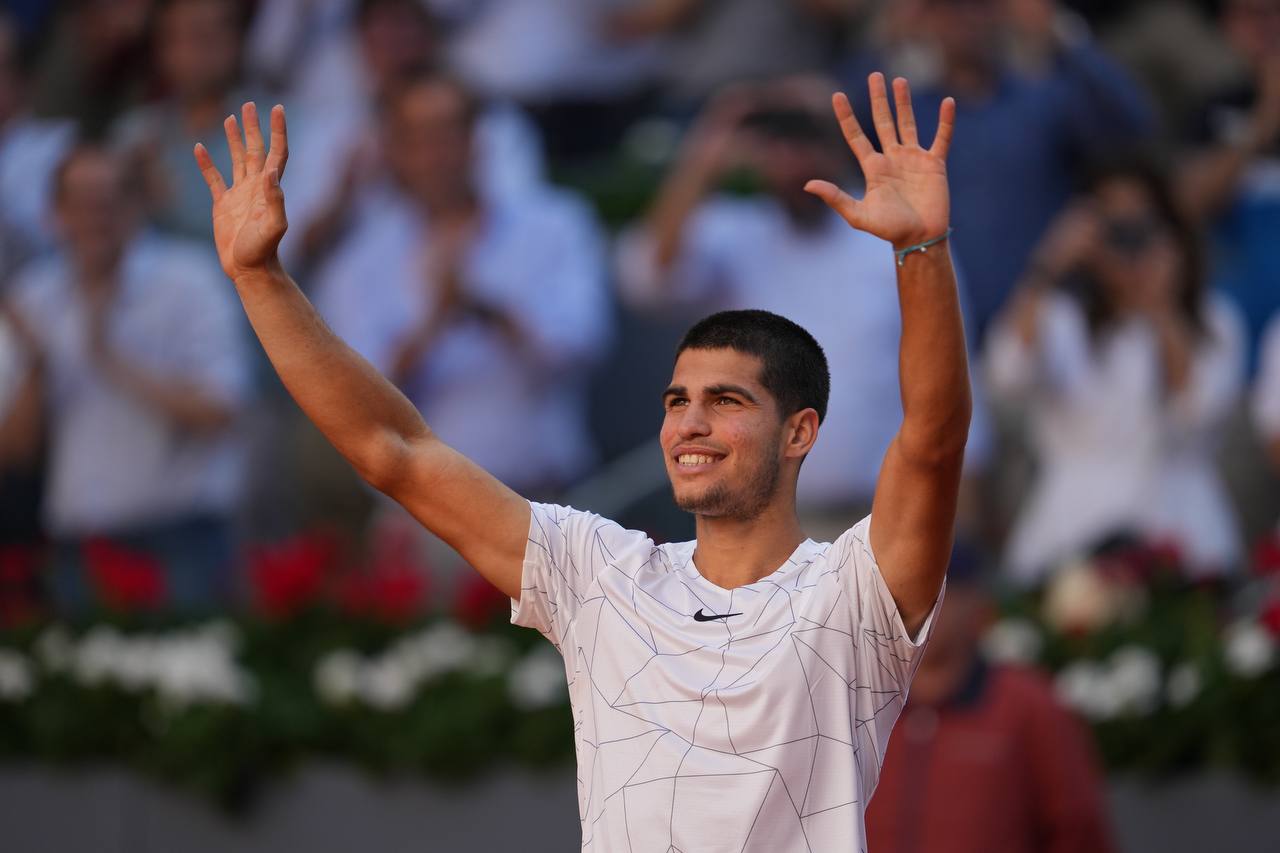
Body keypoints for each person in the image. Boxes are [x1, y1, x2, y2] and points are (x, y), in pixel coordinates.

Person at [194, 71, 969, 849]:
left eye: (726, 401)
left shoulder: (852, 588)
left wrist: (919, 249)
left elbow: (932, 441)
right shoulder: (600, 572)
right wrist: (260, 280)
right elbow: (393, 452)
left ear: (800, 432)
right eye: (676, 401)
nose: (690, 425)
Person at [618, 80, 990, 536]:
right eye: (777, 142)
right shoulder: (734, 232)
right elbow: (647, 280)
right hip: (763, 518)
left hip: (890, 514)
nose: (794, 159)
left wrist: (965, 515)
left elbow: (951, 366)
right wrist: (708, 148)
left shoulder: (895, 236)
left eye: (808, 138)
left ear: (840, 145)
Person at [3, 144, 250, 612]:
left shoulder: (191, 280)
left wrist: (113, 361)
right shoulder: (34, 296)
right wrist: (36, 369)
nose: (97, 217)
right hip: (81, 542)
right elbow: (15, 450)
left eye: (109, 200)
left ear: (136, 205)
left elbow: (222, 408)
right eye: (82, 203)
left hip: (182, 533)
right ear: (55, 215)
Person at [985, 159, 1245, 583]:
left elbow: (1197, 415)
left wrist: (1161, 307)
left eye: (1140, 228)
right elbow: (1006, 374)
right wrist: (1047, 267)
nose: (1127, 245)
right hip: (1069, 527)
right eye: (1114, 228)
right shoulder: (1060, 320)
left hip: (1184, 528)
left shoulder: (1214, 322)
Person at [840, 0, 1153, 341]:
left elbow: (1131, 128)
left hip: (1037, 327)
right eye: (948, 8)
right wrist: (889, 35)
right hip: (938, 325)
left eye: (983, 6)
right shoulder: (909, 114)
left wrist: (1060, 35)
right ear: (927, 19)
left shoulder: (1042, 102)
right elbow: (838, 124)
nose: (967, 18)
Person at [865, 547, 1114, 853]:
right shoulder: (860, 706)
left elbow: (1078, 830)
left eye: (935, 590)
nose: (912, 608)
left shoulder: (1029, 707)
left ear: (979, 605)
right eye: (897, 591)